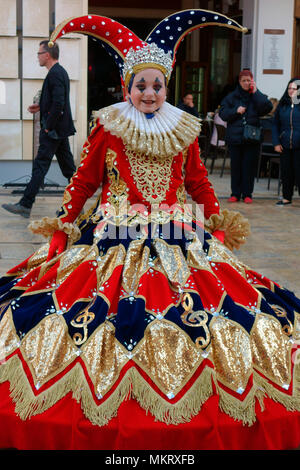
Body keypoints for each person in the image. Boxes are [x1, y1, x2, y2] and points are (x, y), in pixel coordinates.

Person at [0, 12, 300, 452]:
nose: (149, 93)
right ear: (127, 87)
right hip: (112, 234)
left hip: (179, 231)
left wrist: (215, 220)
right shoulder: (109, 126)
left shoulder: (182, 128)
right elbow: (84, 181)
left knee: (219, 303)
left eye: (157, 85)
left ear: (167, 86)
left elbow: (196, 181)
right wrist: (65, 222)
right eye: (141, 85)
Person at [2, 40, 76, 218]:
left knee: (40, 167)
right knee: (69, 171)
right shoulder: (59, 72)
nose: (38, 57)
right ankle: (76, 205)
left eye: (39, 54)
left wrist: (47, 127)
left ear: (47, 55)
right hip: (58, 131)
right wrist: (40, 107)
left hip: (53, 131)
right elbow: (56, 101)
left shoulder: (55, 74)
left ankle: (25, 205)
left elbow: (59, 103)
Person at [219, 69, 273, 203]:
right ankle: (235, 193)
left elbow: (267, 107)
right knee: (236, 166)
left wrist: (256, 92)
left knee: (249, 167)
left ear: (252, 81)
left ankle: (248, 194)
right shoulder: (231, 97)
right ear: (239, 81)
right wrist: (235, 111)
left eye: (249, 80)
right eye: (244, 80)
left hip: (252, 138)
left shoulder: (256, 96)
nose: (246, 83)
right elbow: (223, 114)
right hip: (235, 138)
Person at [272, 78, 300, 205]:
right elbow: (275, 125)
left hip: (298, 145)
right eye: (289, 88)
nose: (291, 91)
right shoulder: (282, 105)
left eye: (294, 88)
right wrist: (276, 142)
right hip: (284, 145)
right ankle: (286, 197)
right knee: (286, 172)